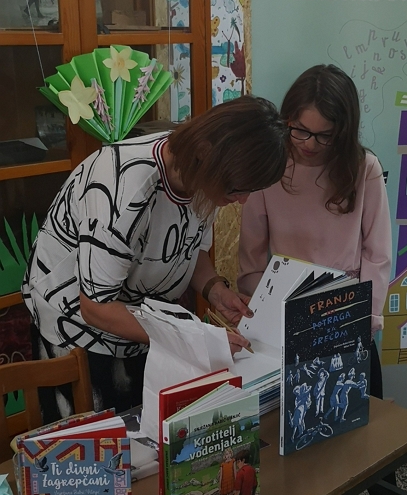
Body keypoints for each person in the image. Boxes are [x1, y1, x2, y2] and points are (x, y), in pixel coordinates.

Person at [238, 64, 407, 495]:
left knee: (367, 437)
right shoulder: (269, 168)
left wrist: (364, 322)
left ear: (342, 133)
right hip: (287, 323)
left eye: (323, 136)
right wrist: (265, 311)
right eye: (299, 131)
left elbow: (378, 254)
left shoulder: (362, 168)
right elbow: (251, 261)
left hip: (348, 321)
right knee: (304, 439)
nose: (308, 145)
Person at [23, 96, 288, 422]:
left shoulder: (202, 173)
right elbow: (96, 308)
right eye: (236, 189)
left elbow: (190, 249)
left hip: (141, 322)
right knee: (106, 441)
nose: (242, 200)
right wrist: (193, 339)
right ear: (205, 153)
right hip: (79, 330)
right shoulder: (126, 188)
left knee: (147, 431)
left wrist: (216, 290)